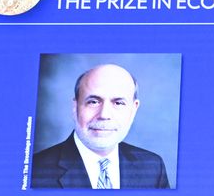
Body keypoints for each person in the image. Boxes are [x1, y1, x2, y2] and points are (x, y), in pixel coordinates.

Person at [32, 63, 170, 189]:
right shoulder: (35, 171)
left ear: (133, 110)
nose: (104, 114)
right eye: (93, 102)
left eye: (118, 103)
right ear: (75, 108)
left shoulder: (153, 167)